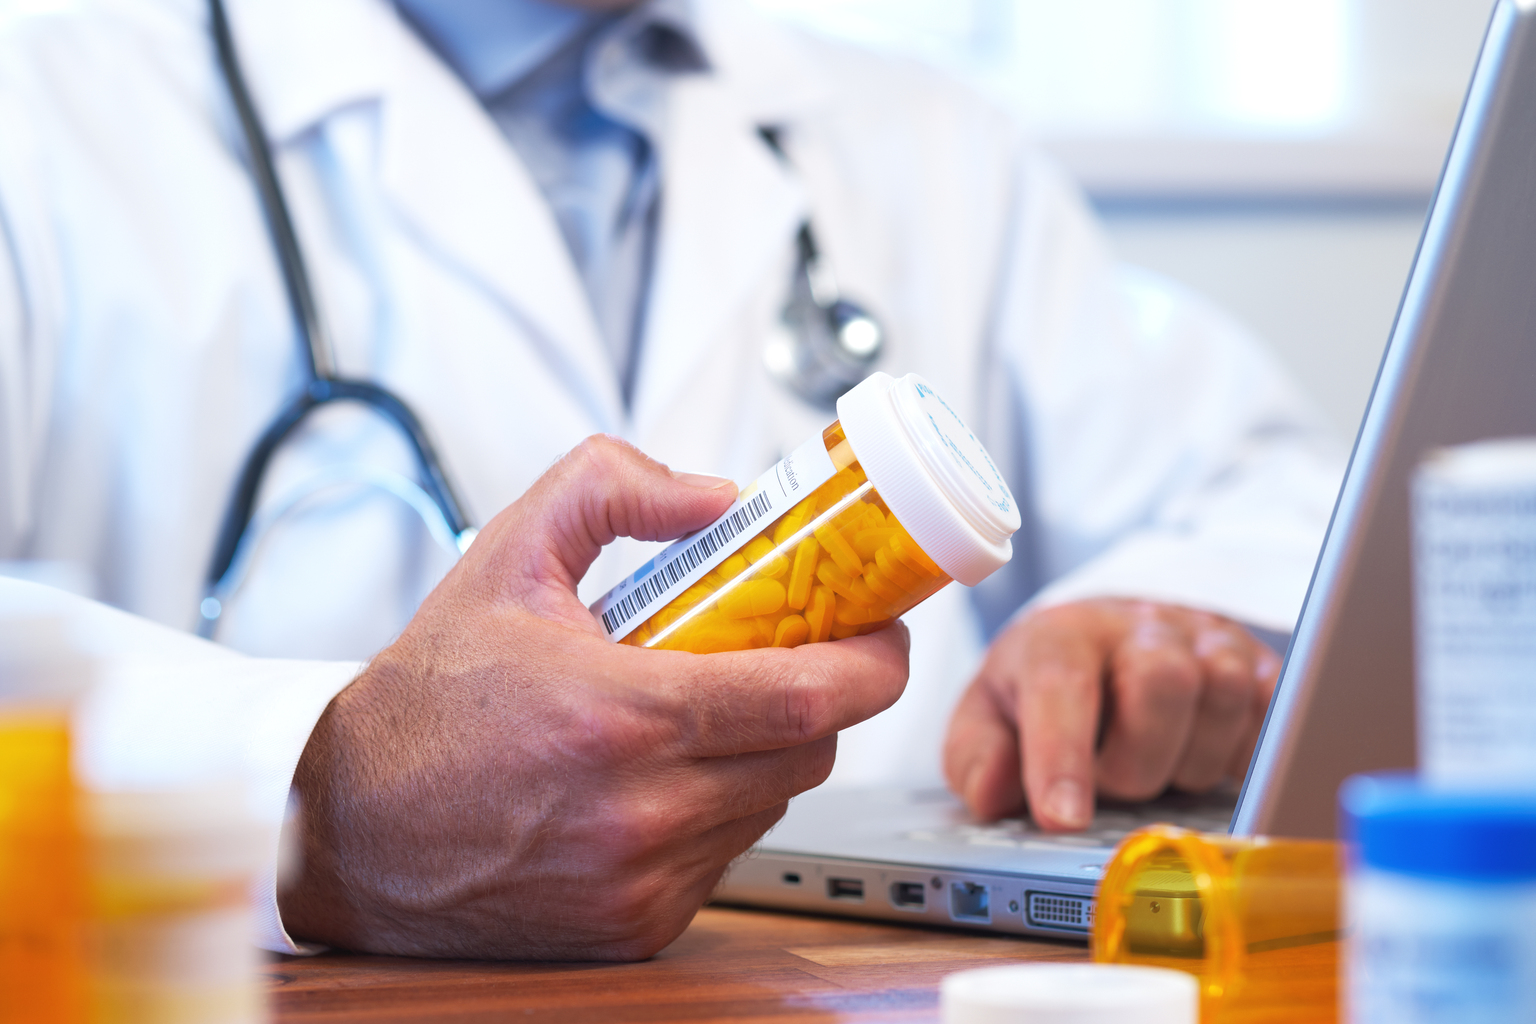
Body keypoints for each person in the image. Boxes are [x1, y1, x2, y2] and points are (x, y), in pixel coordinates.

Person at [0, 0, 1341, 959]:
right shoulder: (45, 113)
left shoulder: (923, 139)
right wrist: (312, 797)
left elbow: (1268, 498)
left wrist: (1165, 620)